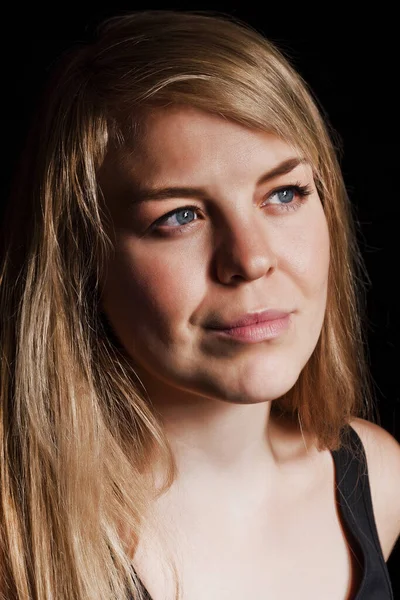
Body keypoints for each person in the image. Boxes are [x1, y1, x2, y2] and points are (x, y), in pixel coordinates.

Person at [0, 9, 399, 600]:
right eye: (179, 215)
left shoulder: (379, 477)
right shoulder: (16, 541)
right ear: (82, 259)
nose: (251, 258)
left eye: (284, 193)